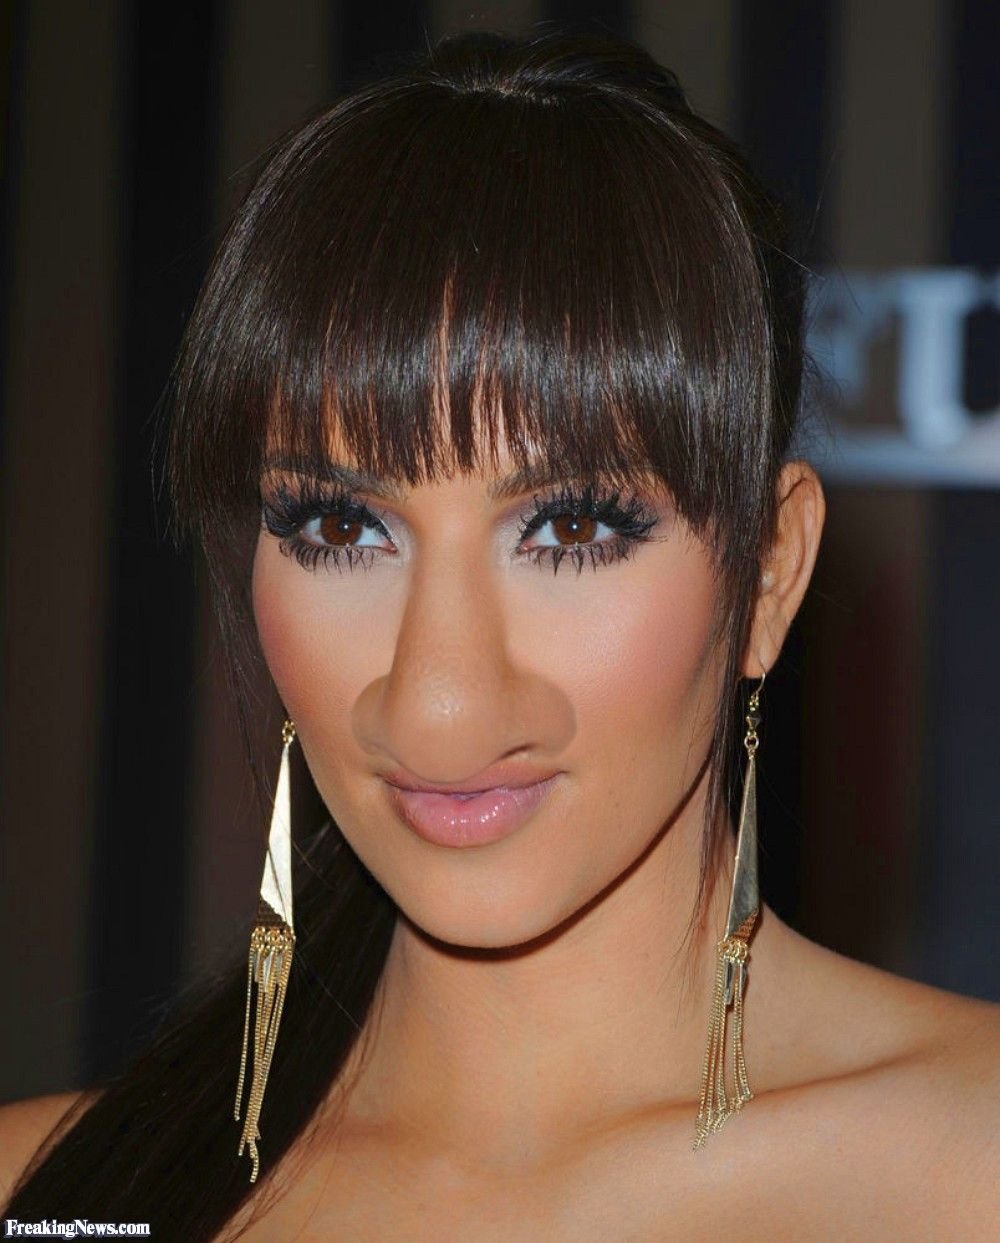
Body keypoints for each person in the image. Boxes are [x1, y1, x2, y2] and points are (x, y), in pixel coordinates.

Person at [2, 29, 997, 1241]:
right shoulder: (40, 1196)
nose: (438, 705)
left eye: (571, 528)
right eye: (340, 526)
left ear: (769, 573)